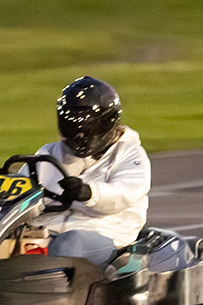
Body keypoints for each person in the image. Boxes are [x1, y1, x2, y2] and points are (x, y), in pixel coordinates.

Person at [34, 76, 151, 266]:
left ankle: (50, 278)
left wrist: (89, 193)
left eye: (88, 126)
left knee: (69, 245)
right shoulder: (49, 153)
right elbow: (23, 186)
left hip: (105, 232)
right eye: (72, 126)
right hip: (48, 229)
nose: (79, 134)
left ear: (108, 121)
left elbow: (126, 192)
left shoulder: (129, 153)